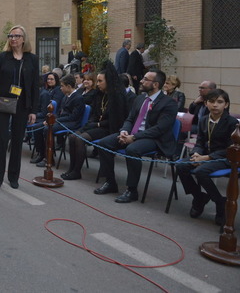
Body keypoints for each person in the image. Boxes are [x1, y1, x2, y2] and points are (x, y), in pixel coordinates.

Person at [95, 69, 178, 203]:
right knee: (104, 143)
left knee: (132, 149)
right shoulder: (140, 98)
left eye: (145, 79)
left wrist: (134, 138)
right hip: (132, 134)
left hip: (154, 139)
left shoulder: (169, 103)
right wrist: (124, 131)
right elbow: (130, 119)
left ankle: (132, 190)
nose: (141, 81)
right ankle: (110, 182)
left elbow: (159, 128)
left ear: (156, 84)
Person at [0, 25, 40, 189]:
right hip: (3, 103)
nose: (13, 38)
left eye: (16, 36)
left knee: (17, 141)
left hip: (23, 105)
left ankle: (14, 176)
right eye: (11, 36)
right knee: (2, 140)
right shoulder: (3, 57)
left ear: (24, 39)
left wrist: (33, 110)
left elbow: (35, 87)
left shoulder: (32, 59)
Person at [176, 89, 238, 226]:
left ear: (226, 105)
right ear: (206, 103)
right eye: (211, 101)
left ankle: (220, 203)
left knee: (200, 171)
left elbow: (230, 148)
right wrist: (196, 154)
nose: (215, 105)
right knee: (180, 165)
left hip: (224, 158)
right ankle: (199, 198)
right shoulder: (204, 120)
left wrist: (206, 158)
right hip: (204, 156)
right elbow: (199, 142)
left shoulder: (232, 123)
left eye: (220, 102)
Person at [64, 62, 127, 180]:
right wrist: (92, 122)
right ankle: (71, 168)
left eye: (100, 81)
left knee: (79, 139)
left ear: (108, 81)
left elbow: (116, 120)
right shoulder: (100, 95)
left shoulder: (117, 97)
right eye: (97, 81)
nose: (97, 84)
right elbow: (94, 113)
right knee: (72, 137)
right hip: (96, 125)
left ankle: (77, 171)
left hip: (108, 129)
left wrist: (98, 124)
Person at [33, 74, 85, 167]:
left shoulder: (78, 98)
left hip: (72, 123)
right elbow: (60, 112)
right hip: (62, 120)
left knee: (47, 129)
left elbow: (73, 117)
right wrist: (51, 118)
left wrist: (55, 120)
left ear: (69, 86)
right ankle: (41, 153)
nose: (60, 88)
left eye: (62, 86)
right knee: (38, 126)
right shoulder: (66, 96)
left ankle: (49, 158)